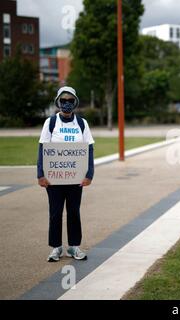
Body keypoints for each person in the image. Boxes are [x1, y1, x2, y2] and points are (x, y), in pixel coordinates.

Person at [37, 86, 95, 262]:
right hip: (54, 179)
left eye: (70, 100)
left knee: (73, 212)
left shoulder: (82, 123)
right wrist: (40, 174)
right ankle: (56, 248)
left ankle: (74, 247)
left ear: (75, 102)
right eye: (64, 100)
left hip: (75, 179)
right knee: (55, 213)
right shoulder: (51, 122)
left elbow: (89, 149)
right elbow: (42, 148)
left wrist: (89, 174)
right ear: (58, 102)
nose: (67, 104)